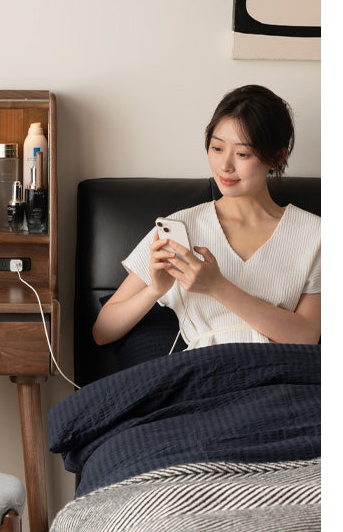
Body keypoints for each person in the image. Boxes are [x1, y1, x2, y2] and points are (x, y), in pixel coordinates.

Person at [92, 85, 321, 349]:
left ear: (277, 157)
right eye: (217, 148)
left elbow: (306, 336)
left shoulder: (315, 235)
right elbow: (103, 330)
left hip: (282, 377)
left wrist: (217, 287)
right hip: (204, 374)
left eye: (243, 153)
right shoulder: (183, 227)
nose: (225, 165)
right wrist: (156, 289)